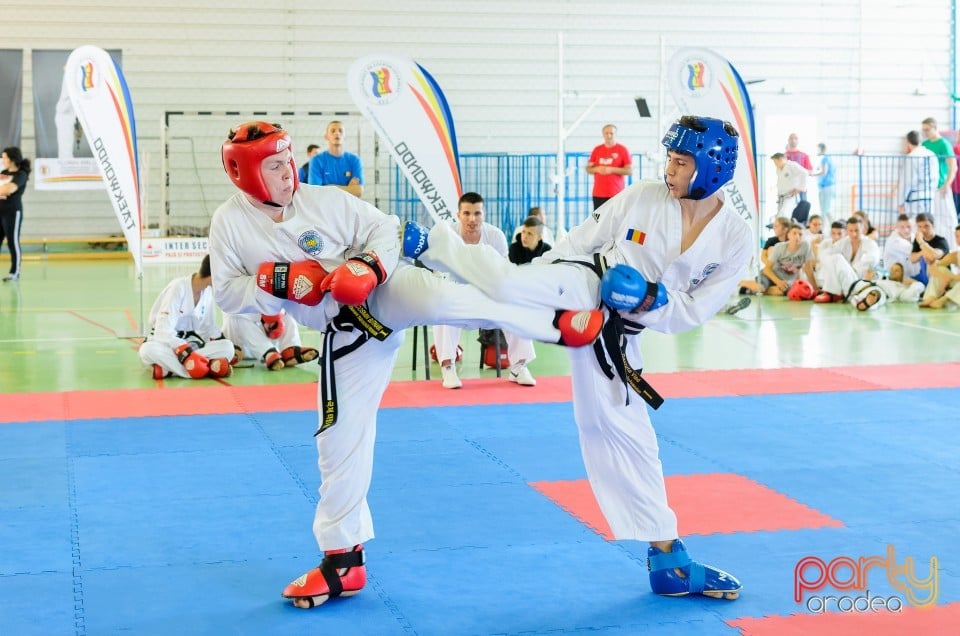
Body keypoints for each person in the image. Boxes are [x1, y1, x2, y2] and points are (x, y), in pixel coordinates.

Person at [208, 121, 602, 609]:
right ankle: (343, 561)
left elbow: (380, 226)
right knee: (337, 440)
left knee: (444, 299)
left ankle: (558, 322)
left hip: (385, 291)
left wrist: (368, 266)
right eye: (273, 166)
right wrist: (274, 284)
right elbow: (227, 292)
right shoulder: (229, 224)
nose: (288, 174)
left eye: (288, 162)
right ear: (244, 173)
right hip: (346, 335)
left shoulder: (324, 200)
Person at [403, 115, 750, 601]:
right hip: (581, 282)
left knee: (631, 439)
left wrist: (650, 297)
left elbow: (694, 310)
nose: (669, 168)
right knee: (505, 286)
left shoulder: (735, 237)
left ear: (711, 167)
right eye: (669, 158)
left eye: (680, 161)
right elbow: (579, 242)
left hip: (620, 333)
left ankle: (667, 559)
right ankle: (428, 245)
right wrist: (542, 285)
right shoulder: (642, 196)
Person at [432, 192, 539, 389]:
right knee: (443, 305)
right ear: (458, 215)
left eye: (477, 213)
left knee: (516, 304)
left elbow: (504, 275)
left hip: (488, 299)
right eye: (466, 213)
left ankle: (519, 366)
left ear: (484, 214)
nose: (472, 219)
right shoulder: (448, 235)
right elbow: (437, 273)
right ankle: (448, 366)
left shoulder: (495, 236)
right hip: (458, 299)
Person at [138, 255, 237, 380]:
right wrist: (184, 353)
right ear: (215, 275)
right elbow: (162, 330)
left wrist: (221, 341)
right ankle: (202, 368)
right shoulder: (178, 287)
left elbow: (209, 328)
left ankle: (170, 369)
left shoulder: (207, 293)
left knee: (228, 347)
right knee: (147, 350)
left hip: (191, 343)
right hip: (167, 343)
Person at [222, 309, 319, 370]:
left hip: (273, 350)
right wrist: (263, 314)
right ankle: (268, 352)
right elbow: (231, 309)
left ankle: (290, 349)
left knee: (288, 311)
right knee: (234, 316)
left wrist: (275, 314)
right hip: (243, 350)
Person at [813, 216, 881, 302]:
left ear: (863, 230)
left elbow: (873, 259)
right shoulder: (844, 242)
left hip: (861, 281)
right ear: (847, 231)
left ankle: (832, 293)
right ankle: (833, 292)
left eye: (857, 230)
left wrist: (853, 269)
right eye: (851, 231)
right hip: (846, 281)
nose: (854, 234)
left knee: (837, 258)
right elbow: (826, 254)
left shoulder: (870, 244)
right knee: (832, 257)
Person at [921, 117, 958, 249]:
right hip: (927, 188)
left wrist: (946, 184)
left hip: (941, 187)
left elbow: (953, 166)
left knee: (947, 218)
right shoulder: (925, 144)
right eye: (923, 130)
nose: (925, 132)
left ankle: (952, 247)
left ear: (935, 128)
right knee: (931, 219)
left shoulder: (944, 144)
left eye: (927, 129)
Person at [308, 120, 363, 197]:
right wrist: (349, 188)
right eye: (333, 131)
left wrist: (328, 187)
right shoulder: (316, 161)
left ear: (345, 136)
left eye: (340, 131)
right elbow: (315, 192)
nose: (337, 133)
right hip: (325, 207)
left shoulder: (355, 160)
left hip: (348, 208)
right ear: (326, 136)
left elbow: (358, 192)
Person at [0, 147, 31, 282]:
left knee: (12, 242)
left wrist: (4, 189)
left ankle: (15, 272)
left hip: (12, 212)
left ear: (12, 159)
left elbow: (9, 189)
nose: (3, 160)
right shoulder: (3, 172)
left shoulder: (21, 174)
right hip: (0, 211)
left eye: (5, 157)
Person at [586, 124, 632, 209]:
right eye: (606, 133)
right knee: (597, 220)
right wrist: (597, 169)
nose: (609, 135)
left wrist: (611, 170)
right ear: (603, 134)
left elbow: (629, 171)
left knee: (616, 220)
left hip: (616, 193)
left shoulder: (622, 150)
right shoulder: (597, 149)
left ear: (615, 134)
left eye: (611, 133)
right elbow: (588, 169)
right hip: (598, 194)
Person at [897, 130, 938, 218]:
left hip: (915, 198)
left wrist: (900, 201)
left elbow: (907, 181)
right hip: (930, 195)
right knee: (929, 224)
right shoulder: (932, 154)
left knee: (916, 225)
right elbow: (936, 176)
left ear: (908, 142)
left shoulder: (911, 157)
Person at [771, 152, 808, 218]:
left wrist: (799, 188)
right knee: (779, 216)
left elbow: (804, 173)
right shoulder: (778, 169)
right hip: (781, 196)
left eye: (776, 162)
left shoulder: (792, 165)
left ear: (781, 159)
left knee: (785, 214)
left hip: (790, 195)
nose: (775, 165)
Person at [813, 143, 835, 219]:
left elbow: (824, 172)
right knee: (826, 209)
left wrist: (812, 174)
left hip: (826, 186)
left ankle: (823, 228)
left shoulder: (825, 159)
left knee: (824, 210)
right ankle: (832, 226)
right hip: (828, 186)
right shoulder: (829, 158)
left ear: (820, 149)